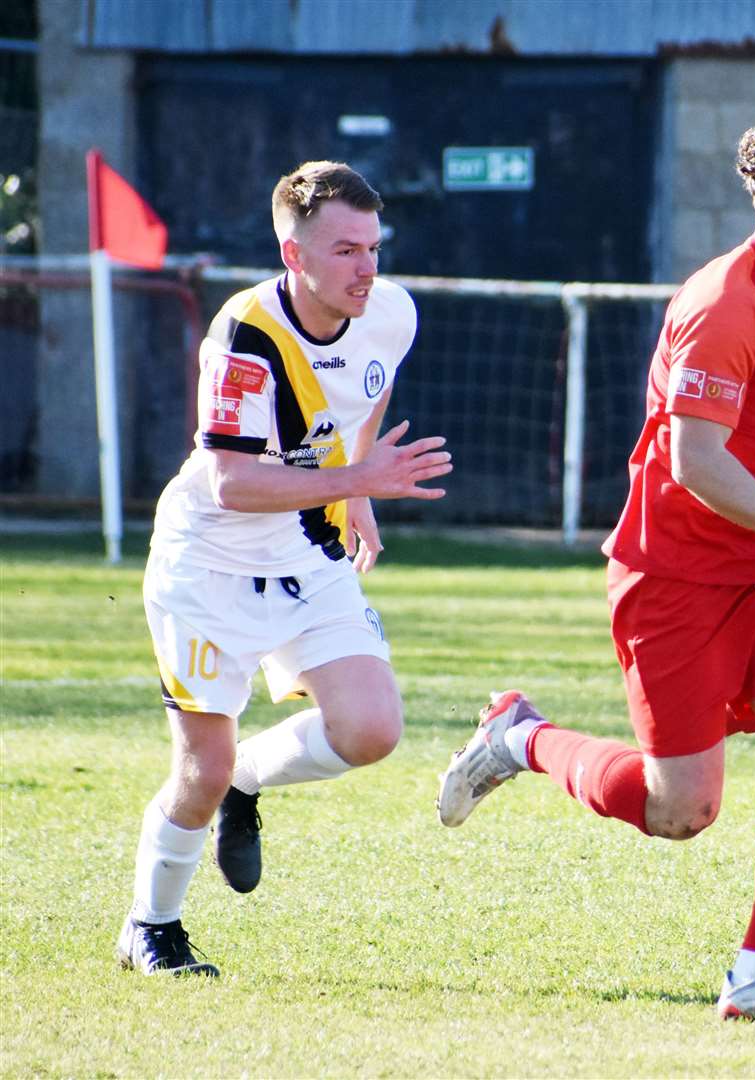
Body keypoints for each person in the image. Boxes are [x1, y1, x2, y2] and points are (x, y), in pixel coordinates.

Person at [437, 103, 755, 1024]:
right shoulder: (723, 301)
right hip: (675, 579)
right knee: (679, 811)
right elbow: (694, 463)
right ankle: (520, 736)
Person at [118, 160, 452, 976]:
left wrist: (357, 494)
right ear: (292, 254)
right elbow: (232, 483)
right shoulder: (243, 338)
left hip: (306, 546)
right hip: (208, 564)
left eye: (373, 247)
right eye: (344, 250)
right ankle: (149, 928)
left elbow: (363, 399)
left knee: (371, 729)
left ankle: (248, 786)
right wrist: (358, 481)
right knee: (200, 770)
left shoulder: (390, 313)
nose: (365, 268)